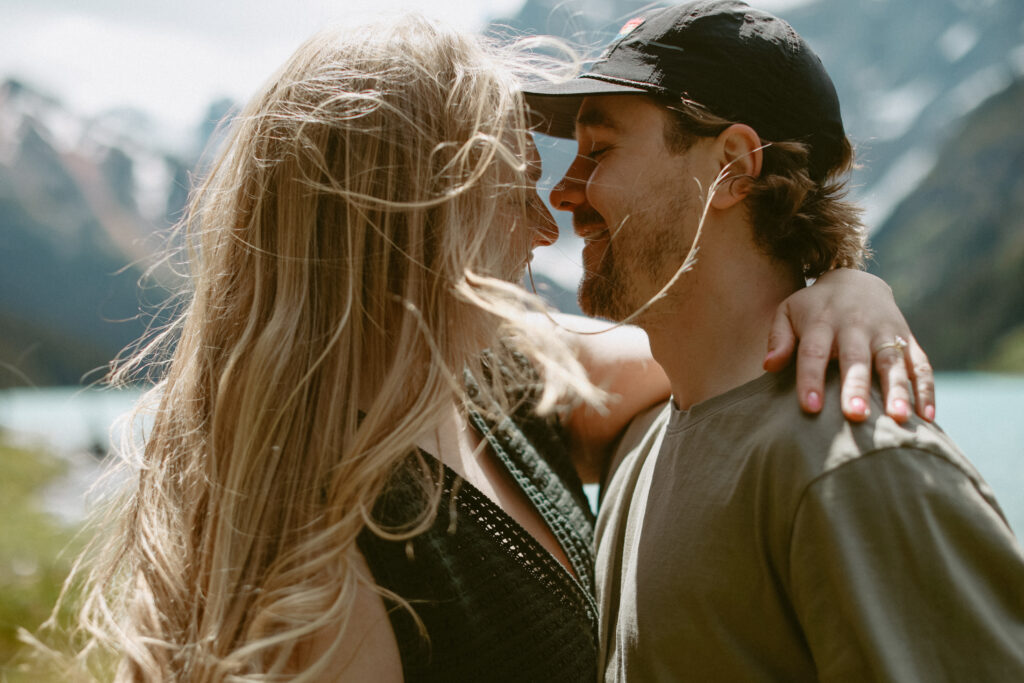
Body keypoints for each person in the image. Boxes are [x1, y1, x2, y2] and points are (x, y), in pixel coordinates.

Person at [42, 13, 934, 683]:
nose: (546, 224)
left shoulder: (485, 379)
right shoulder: (316, 555)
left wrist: (842, 290)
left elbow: (705, 347)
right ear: (414, 218)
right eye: (513, 186)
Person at [524, 1, 1024, 680]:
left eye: (600, 149)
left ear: (730, 168)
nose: (563, 191)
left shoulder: (858, 469)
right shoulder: (645, 439)